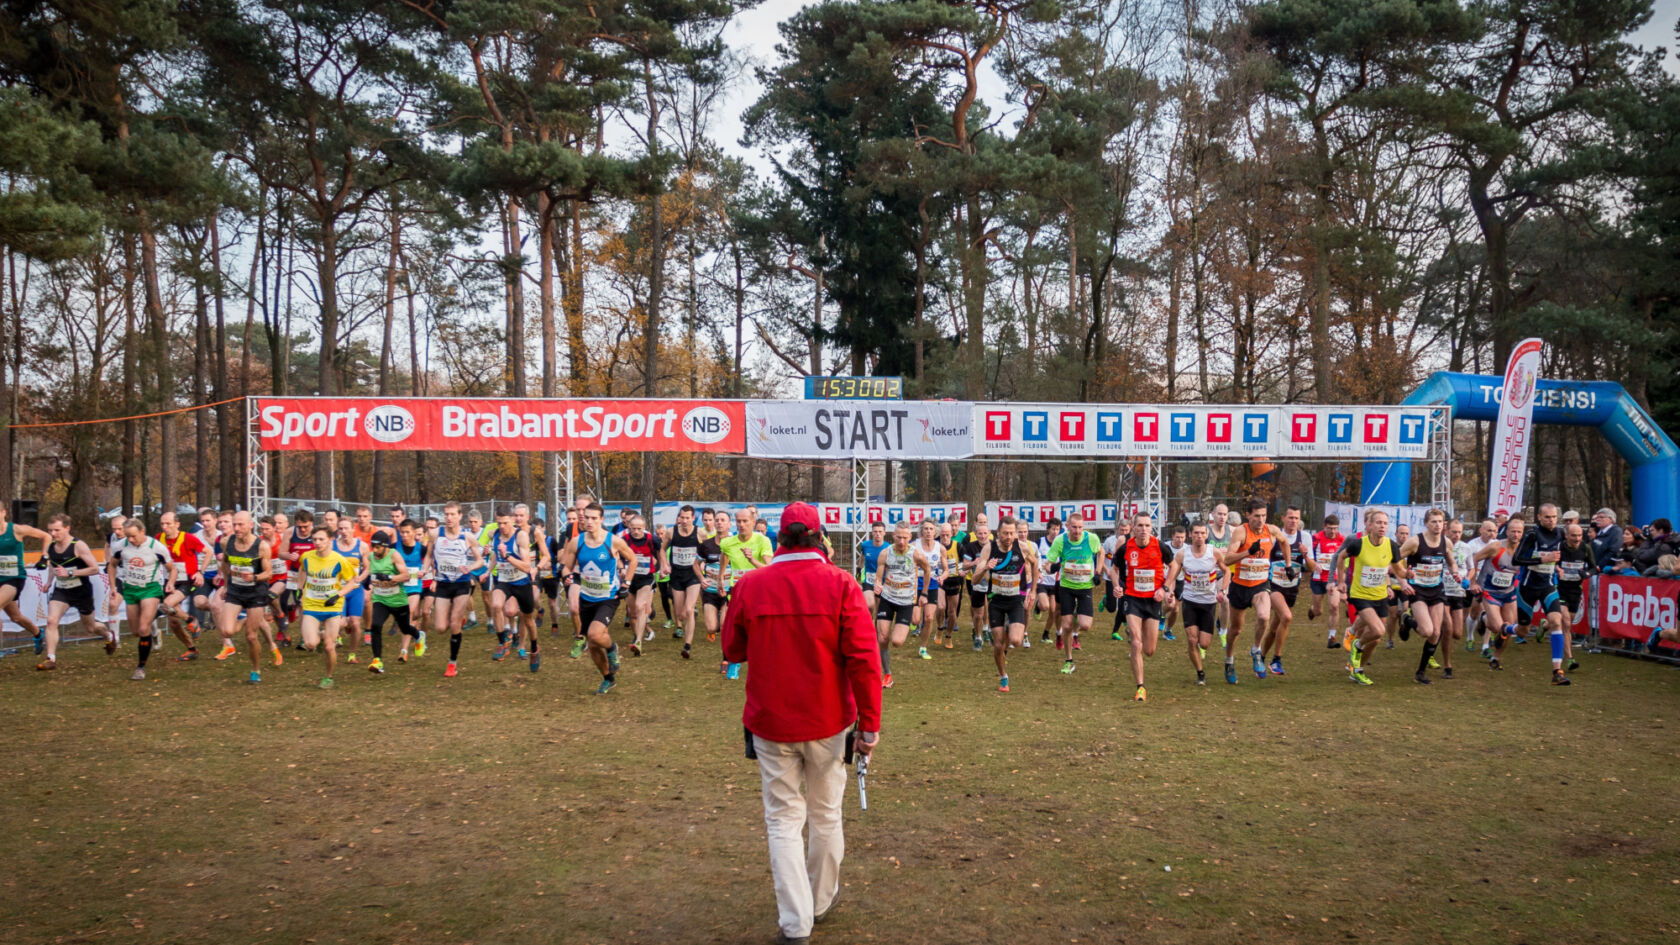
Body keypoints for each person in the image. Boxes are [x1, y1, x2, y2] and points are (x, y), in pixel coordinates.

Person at [720, 502, 879, 945]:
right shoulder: (841, 584)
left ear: (781, 539)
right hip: (829, 721)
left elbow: (732, 650)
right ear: (818, 538)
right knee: (825, 814)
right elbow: (865, 660)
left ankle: (796, 922)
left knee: (784, 820)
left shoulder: (752, 584)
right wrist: (870, 725)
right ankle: (819, 901)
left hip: (773, 722)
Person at [560, 502, 637, 694]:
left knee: (595, 634)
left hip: (608, 597)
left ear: (602, 520)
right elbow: (566, 566)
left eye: (594, 518)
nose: (589, 521)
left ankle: (612, 649)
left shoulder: (613, 541)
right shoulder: (576, 542)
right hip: (587, 597)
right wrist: (566, 576)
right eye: (586, 517)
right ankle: (608, 679)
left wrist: (626, 583)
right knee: (593, 644)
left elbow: (633, 559)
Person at [1218, 500, 1287, 684]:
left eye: (1264, 515)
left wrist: (1288, 565)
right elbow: (1227, 559)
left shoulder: (1271, 530)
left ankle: (1256, 650)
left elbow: (1284, 541)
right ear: (1248, 515)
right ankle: (1229, 661)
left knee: (1264, 617)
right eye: (1257, 516)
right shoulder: (1241, 532)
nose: (1261, 519)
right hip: (1240, 587)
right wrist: (1248, 551)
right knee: (1236, 630)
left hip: (1260, 585)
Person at [1327, 508, 1396, 686]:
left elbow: (1382, 567)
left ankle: (1355, 666)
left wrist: (1388, 585)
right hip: (1356, 590)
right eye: (1375, 521)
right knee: (1371, 630)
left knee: (1375, 637)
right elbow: (1338, 557)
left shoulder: (1387, 543)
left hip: (1378, 593)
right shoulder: (1354, 540)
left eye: (1384, 522)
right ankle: (1353, 642)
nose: (1380, 525)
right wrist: (1337, 581)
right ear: (1367, 523)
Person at [1111, 512, 1173, 702]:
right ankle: (1140, 687)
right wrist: (1116, 586)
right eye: (1140, 526)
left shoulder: (1160, 546)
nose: (1144, 530)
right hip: (1132, 599)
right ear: (1133, 527)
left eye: (1147, 526)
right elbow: (1114, 569)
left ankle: (1137, 645)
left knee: (1149, 650)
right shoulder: (1126, 548)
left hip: (1153, 601)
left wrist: (1165, 588)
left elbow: (1174, 566)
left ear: (1151, 527)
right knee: (1137, 643)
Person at [1392, 508, 1459, 684]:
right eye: (1433, 522)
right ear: (1426, 523)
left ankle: (1420, 672)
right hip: (1418, 591)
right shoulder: (1415, 542)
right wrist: (1404, 582)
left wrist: (1456, 572)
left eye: (1440, 522)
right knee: (1426, 631)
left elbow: (1451, 562)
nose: (1437, 525)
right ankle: (1407, 620)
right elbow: (1393, 562)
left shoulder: (1446, 543)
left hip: (1436, 590)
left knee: (1436, 633)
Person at [37, 513, 109, 669]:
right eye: (50, 530)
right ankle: (51, 659)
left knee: (90, 628)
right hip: (62, 590)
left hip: (81, 591)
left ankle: (108, 635)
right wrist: (49, 582)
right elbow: (53, 565)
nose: (53, 534)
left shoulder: (78, 545)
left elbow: (95, 569)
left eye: (56, 530)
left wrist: (71, 573)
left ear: (67, 528)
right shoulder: (51, 546)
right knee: (51, 621)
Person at [973, 516, 1036, 692]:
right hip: (996, 601)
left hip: (1016, 600)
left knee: (1016, 641)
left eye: (1011, 533)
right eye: (1005, 533)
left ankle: (1010, 629)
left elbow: (1035, 564)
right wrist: (985, 568)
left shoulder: (1022, 547)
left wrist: (1033, 590)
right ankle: (1003, 677)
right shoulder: (989, 549)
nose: (1009, 537)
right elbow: (975, 580)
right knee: (999, 645)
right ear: (998, 533)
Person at [1511, 503, 1572, 685]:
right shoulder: (1531, 535)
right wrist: (1542, 559)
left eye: (1554, 517)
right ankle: (1506, 629)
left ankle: (1557, 672)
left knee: (1556, 621)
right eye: (1547, 517)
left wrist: (1557, 566)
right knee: (1523, 630)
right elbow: (1517, 559)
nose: (1551, 520)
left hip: (1548, 585)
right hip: (1528, 587)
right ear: (1539, 517)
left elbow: (1559, 555)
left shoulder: (1560, 533)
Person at [109, 519, 176, 680]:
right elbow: (112, 565)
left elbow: (171, 569)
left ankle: (141, 667)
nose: (130, 540)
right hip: (131, 589)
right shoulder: (120, 546)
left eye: (133, 536)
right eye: (127, 537)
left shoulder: (157, 547)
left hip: (150, 588)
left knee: (143, 628)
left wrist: (171, 583)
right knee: (135, 631)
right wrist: (112, 587)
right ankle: (159, 613)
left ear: (142, 531)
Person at [218, 511, 279, 683]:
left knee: (251, 637)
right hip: (235, 591)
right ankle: (248, 619)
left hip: (255, 593)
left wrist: (254, 577)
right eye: (234, 524)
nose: (236, 528)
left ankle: (255, 670)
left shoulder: (261, 546)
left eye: (240, 525)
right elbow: (225, 565)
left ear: (250, 525)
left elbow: (269, 573)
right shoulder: (226, 542)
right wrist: (225, 585)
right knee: (227, 631)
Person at [872, 522, 934, 689]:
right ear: (893, 535)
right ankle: (887, 674)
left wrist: (924, 594)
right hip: (887, 598)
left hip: (906, 602)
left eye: (904, 538)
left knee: (897, 641)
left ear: (910, 538)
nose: (901, 541)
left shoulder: (916, 554)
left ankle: (912, 621)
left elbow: (927, 570)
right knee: (882, 638)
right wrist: (878, 584)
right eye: (898, 537)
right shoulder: (885, 553)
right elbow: (879, 575)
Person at [427, 501, 486, 678]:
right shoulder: (436, 534)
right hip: (443, 583)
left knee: (453, 624)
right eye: (446, 514)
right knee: (439, 628)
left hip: (461, 582)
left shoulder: (468, 537)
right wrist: (425, 570)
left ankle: (452, 663)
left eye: (453, 514)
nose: (449, 518)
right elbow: (429, 555)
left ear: (460, 516)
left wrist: (470, 567)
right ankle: (456, 615)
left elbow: (480, 560)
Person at [1165, 522, 1226, 685]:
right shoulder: (1183, 555)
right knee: (1192, 639)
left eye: (1203, 533)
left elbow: (1227, 571)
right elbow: (1172, 575)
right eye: (1196, 533)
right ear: (1190, 535)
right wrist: (1168, 590)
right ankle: (1200, 673)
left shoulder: (1214, 553)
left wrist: (1223, 591)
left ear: (1207, 535)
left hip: (1209, 603)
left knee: (1204, 644)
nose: (1200, 536)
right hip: (1190, 602)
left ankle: (1201, 651)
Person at [297, 526, 356, 689]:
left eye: (321, 539)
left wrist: (338, 595)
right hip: (312, 605)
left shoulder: (339, 560)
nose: (317, 542)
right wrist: (299, 589)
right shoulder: (306, 557)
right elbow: (302, 570)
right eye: (314, 539)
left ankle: (328, 677)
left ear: (330, 539)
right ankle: (323, 635)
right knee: (310, 644)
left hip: (332, 607)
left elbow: (352, 582)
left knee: (330, 647)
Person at [1048, 513, 1104, 675]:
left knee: (1085, 625)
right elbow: (1048, 563)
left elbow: (1101, 552)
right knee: (1066, 626)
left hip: (1085, 587)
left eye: (1080, 527)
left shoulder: (1091, 539)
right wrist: (1052, 567)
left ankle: (1076, 613)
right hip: (1066, 587)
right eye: (1074, 527)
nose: (1077, 531)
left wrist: (1098, 572)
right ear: (1067, 526)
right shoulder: (1061, 541)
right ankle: (1069, 660)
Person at [1259, 506, 1310, 676]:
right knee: (1287, 617)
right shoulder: (1274, 537)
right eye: (1290, 517)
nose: (1293, 521)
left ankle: (1261, 657)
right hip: (1273, 586)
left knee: (1275, 627)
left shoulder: (1305, 538)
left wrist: (1306, 555)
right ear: (1283, 518)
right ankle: (1276, 660)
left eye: (1296, 518)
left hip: (1292, 588)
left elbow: (1312, 568)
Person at [1473, 515, 1526, 672]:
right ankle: (1483, 617)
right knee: (1497, 627)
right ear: (1507, 531)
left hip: (1509, 592)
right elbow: (1474, 558)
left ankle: (1495, 658)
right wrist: (1474, 581)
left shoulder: (1524, 550)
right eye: (1513, 531)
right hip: (1490, 591)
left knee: (1507, 629)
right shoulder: (1496, 547)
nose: (1516, 535)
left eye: (1519, 532)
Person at [156, 512, 208, 661]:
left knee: (166, 605)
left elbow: (208, 552)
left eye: (168, 524)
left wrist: (200, 572)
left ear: (177, 524)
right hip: (169, 580)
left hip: (187, 580)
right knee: (173, 622)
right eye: (162, 524)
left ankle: (191, 620)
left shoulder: (188, 538)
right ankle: (191, 649)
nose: (165, 527)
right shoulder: (159, 538)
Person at [364, 532, 414, 675]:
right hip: (381, 599)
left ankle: (418, 635)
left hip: (398, 600)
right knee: (375, 625)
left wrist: (389, 577)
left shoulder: (394, 555)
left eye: (378, 547)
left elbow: (406, 575)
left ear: (385, 547)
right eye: (373, 546)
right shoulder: (371, 556)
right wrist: (358, 581)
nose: (374, 550)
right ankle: (377, 660)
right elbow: (367, 571)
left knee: (405, 628)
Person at [620, 514, 663, 656]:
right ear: (629, 528)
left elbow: (660, 551)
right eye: (633, 528)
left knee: (641, 606)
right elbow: (617, 556)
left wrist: (663, 566)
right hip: (630, 579)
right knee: (632, 613)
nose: (636, 531)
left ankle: (638, 641)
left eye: (639, 528)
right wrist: (621, 568)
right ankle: (636, 635)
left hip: (646, 578)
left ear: (644, 528)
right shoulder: (624, 540)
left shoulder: (652, 539)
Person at [666, 505, 704, 660]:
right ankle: (688, 614)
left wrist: (702, 563)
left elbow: (707, 550)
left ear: (693, 518)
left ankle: (687, 645)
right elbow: (661, 549)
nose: (684, 520)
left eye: (688, 518)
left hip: (693, 575)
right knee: (680, 614)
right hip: (676, 575)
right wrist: (663, 563)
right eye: (682, 517)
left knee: (688, 610)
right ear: (679, 518)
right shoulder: (671, 532)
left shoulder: (700, 533)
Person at [1556, 522, 1595, 672]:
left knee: (1566, 622)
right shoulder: (1560, 547)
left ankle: (1545, 625)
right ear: (1566, 536)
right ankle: (1570, 659)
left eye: (1579, 535)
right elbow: (1551, 562)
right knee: (1565, 622)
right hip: (1559, 588)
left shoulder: (1586, 548)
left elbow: (1593, 567)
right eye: (1573, 535)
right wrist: (1557, 568)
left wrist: (1587, 573)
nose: (1577, 538)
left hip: (1575, 589)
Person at [331, 517, 370, 664]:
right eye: (340, 528)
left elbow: (367, 567)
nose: (343, 531)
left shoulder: (362, 546)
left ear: (353, 529)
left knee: (355, 623)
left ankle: (352, 654)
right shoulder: (332, 546)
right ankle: (333, 639)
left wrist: (361, 577)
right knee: (341, 623)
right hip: (338, 590)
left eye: (347, 528)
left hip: (355, 589)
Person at [1308, 514, 1346, 649]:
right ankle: (1312, 610)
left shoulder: (1342, 540)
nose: (1333, 531)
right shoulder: (1316, 539)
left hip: (1333, 579)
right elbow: (1308, 556)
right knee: (1318, 611)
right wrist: (1313, 564)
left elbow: (1344, 561)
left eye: (1335, 528)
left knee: (1335, 606)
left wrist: (1343, 580)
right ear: (1324, 526)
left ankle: (1331, 637)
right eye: (1330, 528)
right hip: (1318, 579)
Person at [912, 520, 947, 660]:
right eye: (925, 528)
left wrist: (942, 577)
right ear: (921, 531)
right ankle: (912, 621)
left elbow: (946, 570)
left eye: (931, 529)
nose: (928, 531)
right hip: (916, 585)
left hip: (932, 585)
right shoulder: (914, 546)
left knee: (929, 617)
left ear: (935, 531)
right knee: (915, 620)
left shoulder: (940, 548)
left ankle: (923, 647)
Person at [958, 516, 992, 651]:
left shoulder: (995, 547)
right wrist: (974, 563)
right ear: (975, 534)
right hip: (977, 583)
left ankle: (987, 630)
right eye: (980, 533)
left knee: (990, 608)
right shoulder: (971, 547)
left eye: (985, 533)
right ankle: (978, 637)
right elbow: (964, 566)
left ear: (989, 534)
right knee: (978, 613)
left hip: (992, 584)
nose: (982, 536)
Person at [1034, 518, 1062, 644]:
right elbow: (1034, 558)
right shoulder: (1040, 542)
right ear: (1048, 529)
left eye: (1057, 529)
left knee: (1053, 610)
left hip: (1055, 581)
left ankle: (1045, 634)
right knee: (1045, 606)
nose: (1055, 532)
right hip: (1042, 580)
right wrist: (1038, 570)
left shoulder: (1061, 544)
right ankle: (1038, 606)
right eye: (1053, 529)